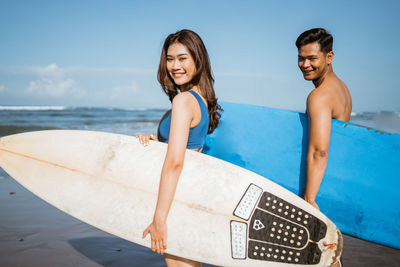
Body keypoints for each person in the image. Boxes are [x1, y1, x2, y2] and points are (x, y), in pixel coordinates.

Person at [136, 29, 222, 267]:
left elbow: (176, 163)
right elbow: (188, 148)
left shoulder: (183, 100)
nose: (175, 66)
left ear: (198, 59)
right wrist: (159, 144)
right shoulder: (199, 98)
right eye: (170, 59)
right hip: (190, 197)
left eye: (182, 58)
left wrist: (159, 218)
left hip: (178, 201)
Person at [296, 28, 352, 267]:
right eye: (301, 58)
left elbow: (319, 151)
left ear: (329, 57)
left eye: (312, 58)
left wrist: (309, 199)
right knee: (329, 257)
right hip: (335, 185)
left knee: (319, 257)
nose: (305, 64)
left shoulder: (319, 96)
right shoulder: (343, 89)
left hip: (318, 190)